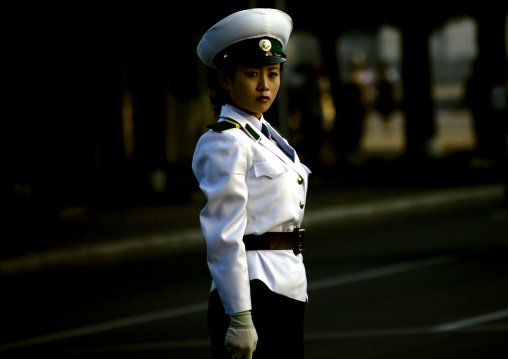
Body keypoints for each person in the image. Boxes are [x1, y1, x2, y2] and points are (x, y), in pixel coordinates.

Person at [193, 8, 311, 359]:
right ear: (225, 80)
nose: (265, 85)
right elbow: (223, 234)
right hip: (252, 292)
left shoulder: (265, 136)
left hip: (286, 287)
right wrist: (240, 316)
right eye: (252, 74)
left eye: (273, 73)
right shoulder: (225, 141)